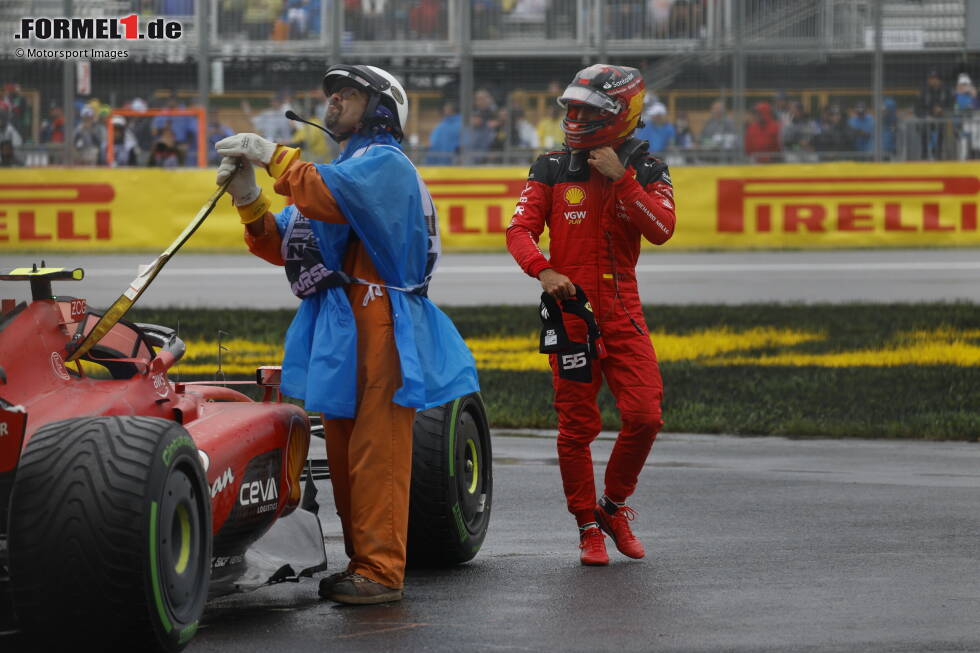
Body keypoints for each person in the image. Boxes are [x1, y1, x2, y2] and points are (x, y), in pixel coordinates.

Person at [215, 64, 479, 604]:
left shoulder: (384, 164)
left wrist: (274, 158)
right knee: (342, 451)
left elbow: (322, 194)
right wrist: (248, 198)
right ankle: (364, 563)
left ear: (382, 107)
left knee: (375, 451)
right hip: (343, 321)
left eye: (348, 94)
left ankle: (381, 570)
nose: (333, 102)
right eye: (331, 95)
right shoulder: (346, 168)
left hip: (382, 315)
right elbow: (285, 241)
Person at [506, 64, 676, 566]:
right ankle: (587, 527)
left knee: (645, 416)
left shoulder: (647, 168)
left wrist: (621, 180)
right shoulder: (551, 166)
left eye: (589, 111)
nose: (577, 118)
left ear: (624, 115)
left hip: (624, 312)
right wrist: (542, 270)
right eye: (573, 109)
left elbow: (662, 229)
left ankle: (614, 506)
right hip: (570, 317)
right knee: (576, 428)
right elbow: (519, 231)